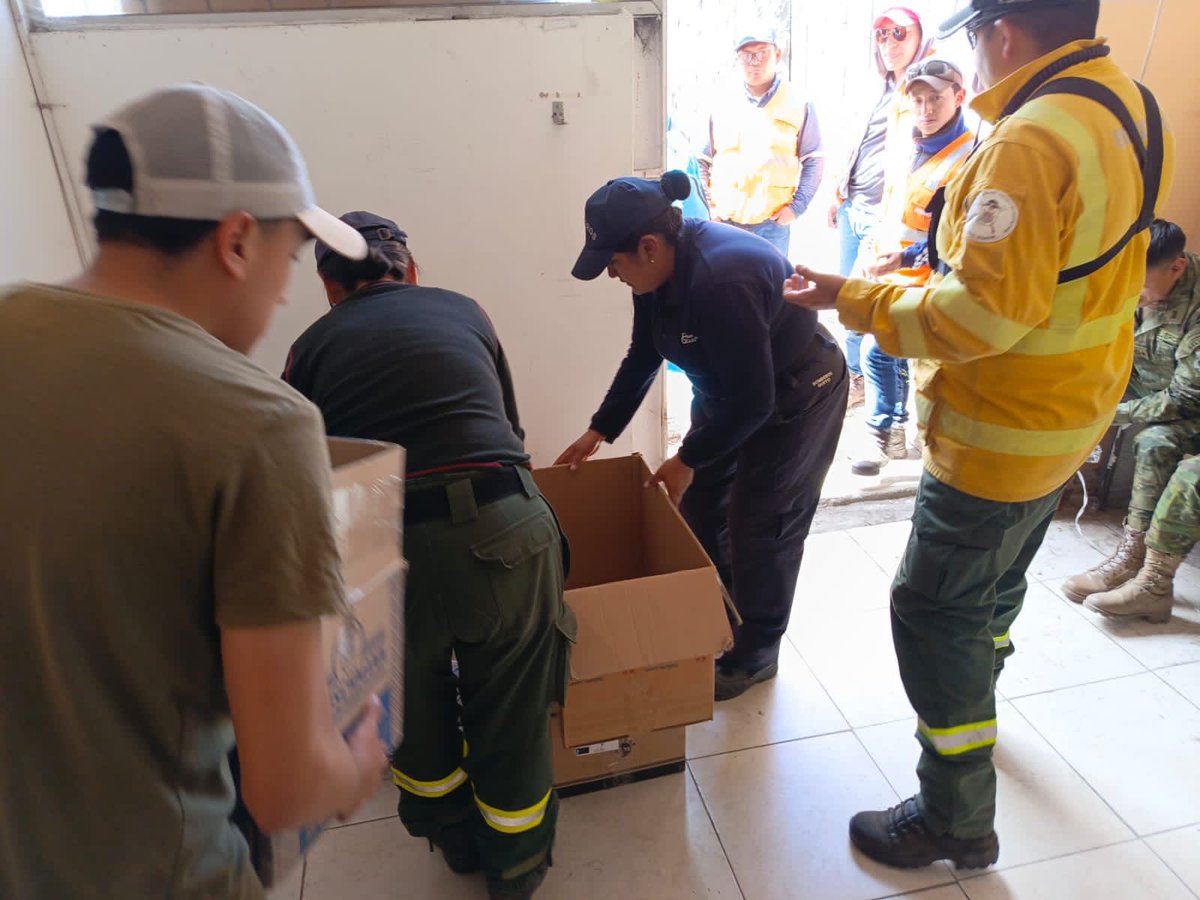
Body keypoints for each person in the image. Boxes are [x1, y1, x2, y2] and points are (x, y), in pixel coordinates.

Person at [783, 0, 1173, 871]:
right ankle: (979, 702)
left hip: (1002, 430)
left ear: (1001, 32)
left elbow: (981, 318)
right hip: (1073, 413)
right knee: (990, 592)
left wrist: (853, 299)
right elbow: (1062, 266)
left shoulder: (1028, 141)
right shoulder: (1132, 104)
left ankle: (956, 814)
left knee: (932, 609)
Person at [0, 85, 388, 899]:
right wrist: (355, 767)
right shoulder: (255, 422)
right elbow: (282, 787)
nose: (285, 292)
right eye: (288, 259)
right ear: (238, 240)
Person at [282, 213, 571, 900]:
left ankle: (451, 835)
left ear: (329, 286)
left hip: (378, 544)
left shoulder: (307, 349)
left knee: (404, 710)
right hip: (504, 526)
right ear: (410, 269)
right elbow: (512, 430)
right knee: (513, 713)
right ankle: (518, 867)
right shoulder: (464, 311)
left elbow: (302, 475)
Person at [557, 172, 847, 701]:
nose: (611, 275)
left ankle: (756, 649)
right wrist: (601, 428)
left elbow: (756, 400)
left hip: (796, 390)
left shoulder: (722, 279)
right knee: (703, 505)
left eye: (613, 263)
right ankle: (722, 614)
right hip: (727, 390)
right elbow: (644, 354)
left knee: (762, 523)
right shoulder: (656, 275)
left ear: (647, 247)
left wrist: (688, 456)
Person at [1064, 219, 1200, 620]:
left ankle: (1154, 583)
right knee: (1154, 443)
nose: (1130, 295)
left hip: (1188, 404)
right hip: (1184, 412)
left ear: (1174, 268)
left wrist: (1106, 413)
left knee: (1191, 474)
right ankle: (1132, 558)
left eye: (1138, 286)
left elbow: (1183, 397)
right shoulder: (1138, 281)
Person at [852, 58, 976, 476]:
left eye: (935, 99)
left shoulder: (968, 157)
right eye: (919, 99)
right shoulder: (911, 143)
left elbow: (955, 233)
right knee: (890, 353)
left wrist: (905, 257)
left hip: (927, 277)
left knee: (881, 351)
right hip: (888, 268)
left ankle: (885, 431)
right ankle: (897, 433)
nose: (926, 109)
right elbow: (894, 205)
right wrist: (874, 247)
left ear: (959, 98)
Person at [828, 7, 933, 409]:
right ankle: (854, 381)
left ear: (918, 36)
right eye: (881, 35)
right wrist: (839, 193)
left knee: (880, 308)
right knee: (849, 301)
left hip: (888, 216)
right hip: (855, 206)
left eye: (899, 34)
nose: (889, 43)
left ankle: (891, 408)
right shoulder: (875, 88)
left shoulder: (924, 91)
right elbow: (854, 142)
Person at [699, 26, 824, 257]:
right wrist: (712, 209)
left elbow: (814, 159)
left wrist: (796, 208)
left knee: (771, 289)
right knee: (726, 289)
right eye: (747, 55)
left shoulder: (798, 102)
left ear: (777, 55)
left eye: (761, 52)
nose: (754, 61)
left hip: (771, 226)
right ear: (738, 59)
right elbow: (702, 161)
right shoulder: (722, 102)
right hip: (725, 223)